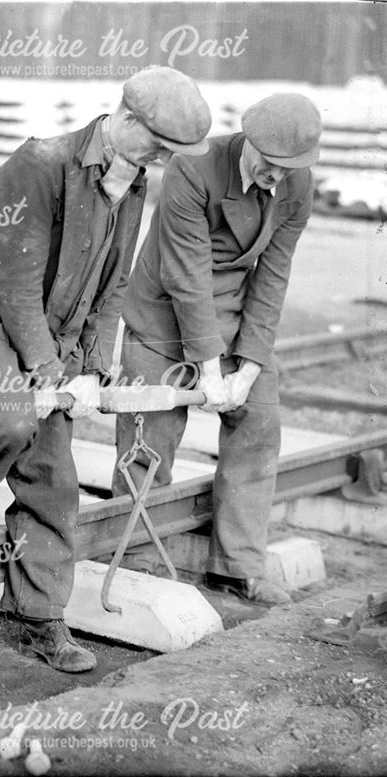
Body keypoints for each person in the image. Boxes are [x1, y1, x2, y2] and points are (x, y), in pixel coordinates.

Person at [0, 67, 212, 673]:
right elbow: (14, 281)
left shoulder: (134, 183)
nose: (162, 160)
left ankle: (39, 620)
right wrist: (51, 373)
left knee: (54, 482)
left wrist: (92, 370)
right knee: (9, 420)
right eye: (159, 145)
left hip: (53, 339)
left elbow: (112, 289)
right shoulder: (38, 164)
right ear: (127, 120)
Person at [113, 93, 321, 606]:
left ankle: (236, 566)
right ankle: (137, 559)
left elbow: (273, 276)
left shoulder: (296, 187)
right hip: (164, 307)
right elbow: (186, 276)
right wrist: (207, 372)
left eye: (288, 166)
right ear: (246, 139)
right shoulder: (194, 167)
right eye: (267, 161)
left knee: (258, 423)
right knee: (151, 432)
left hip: (233, 310)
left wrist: (248, 367)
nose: (275, 174)